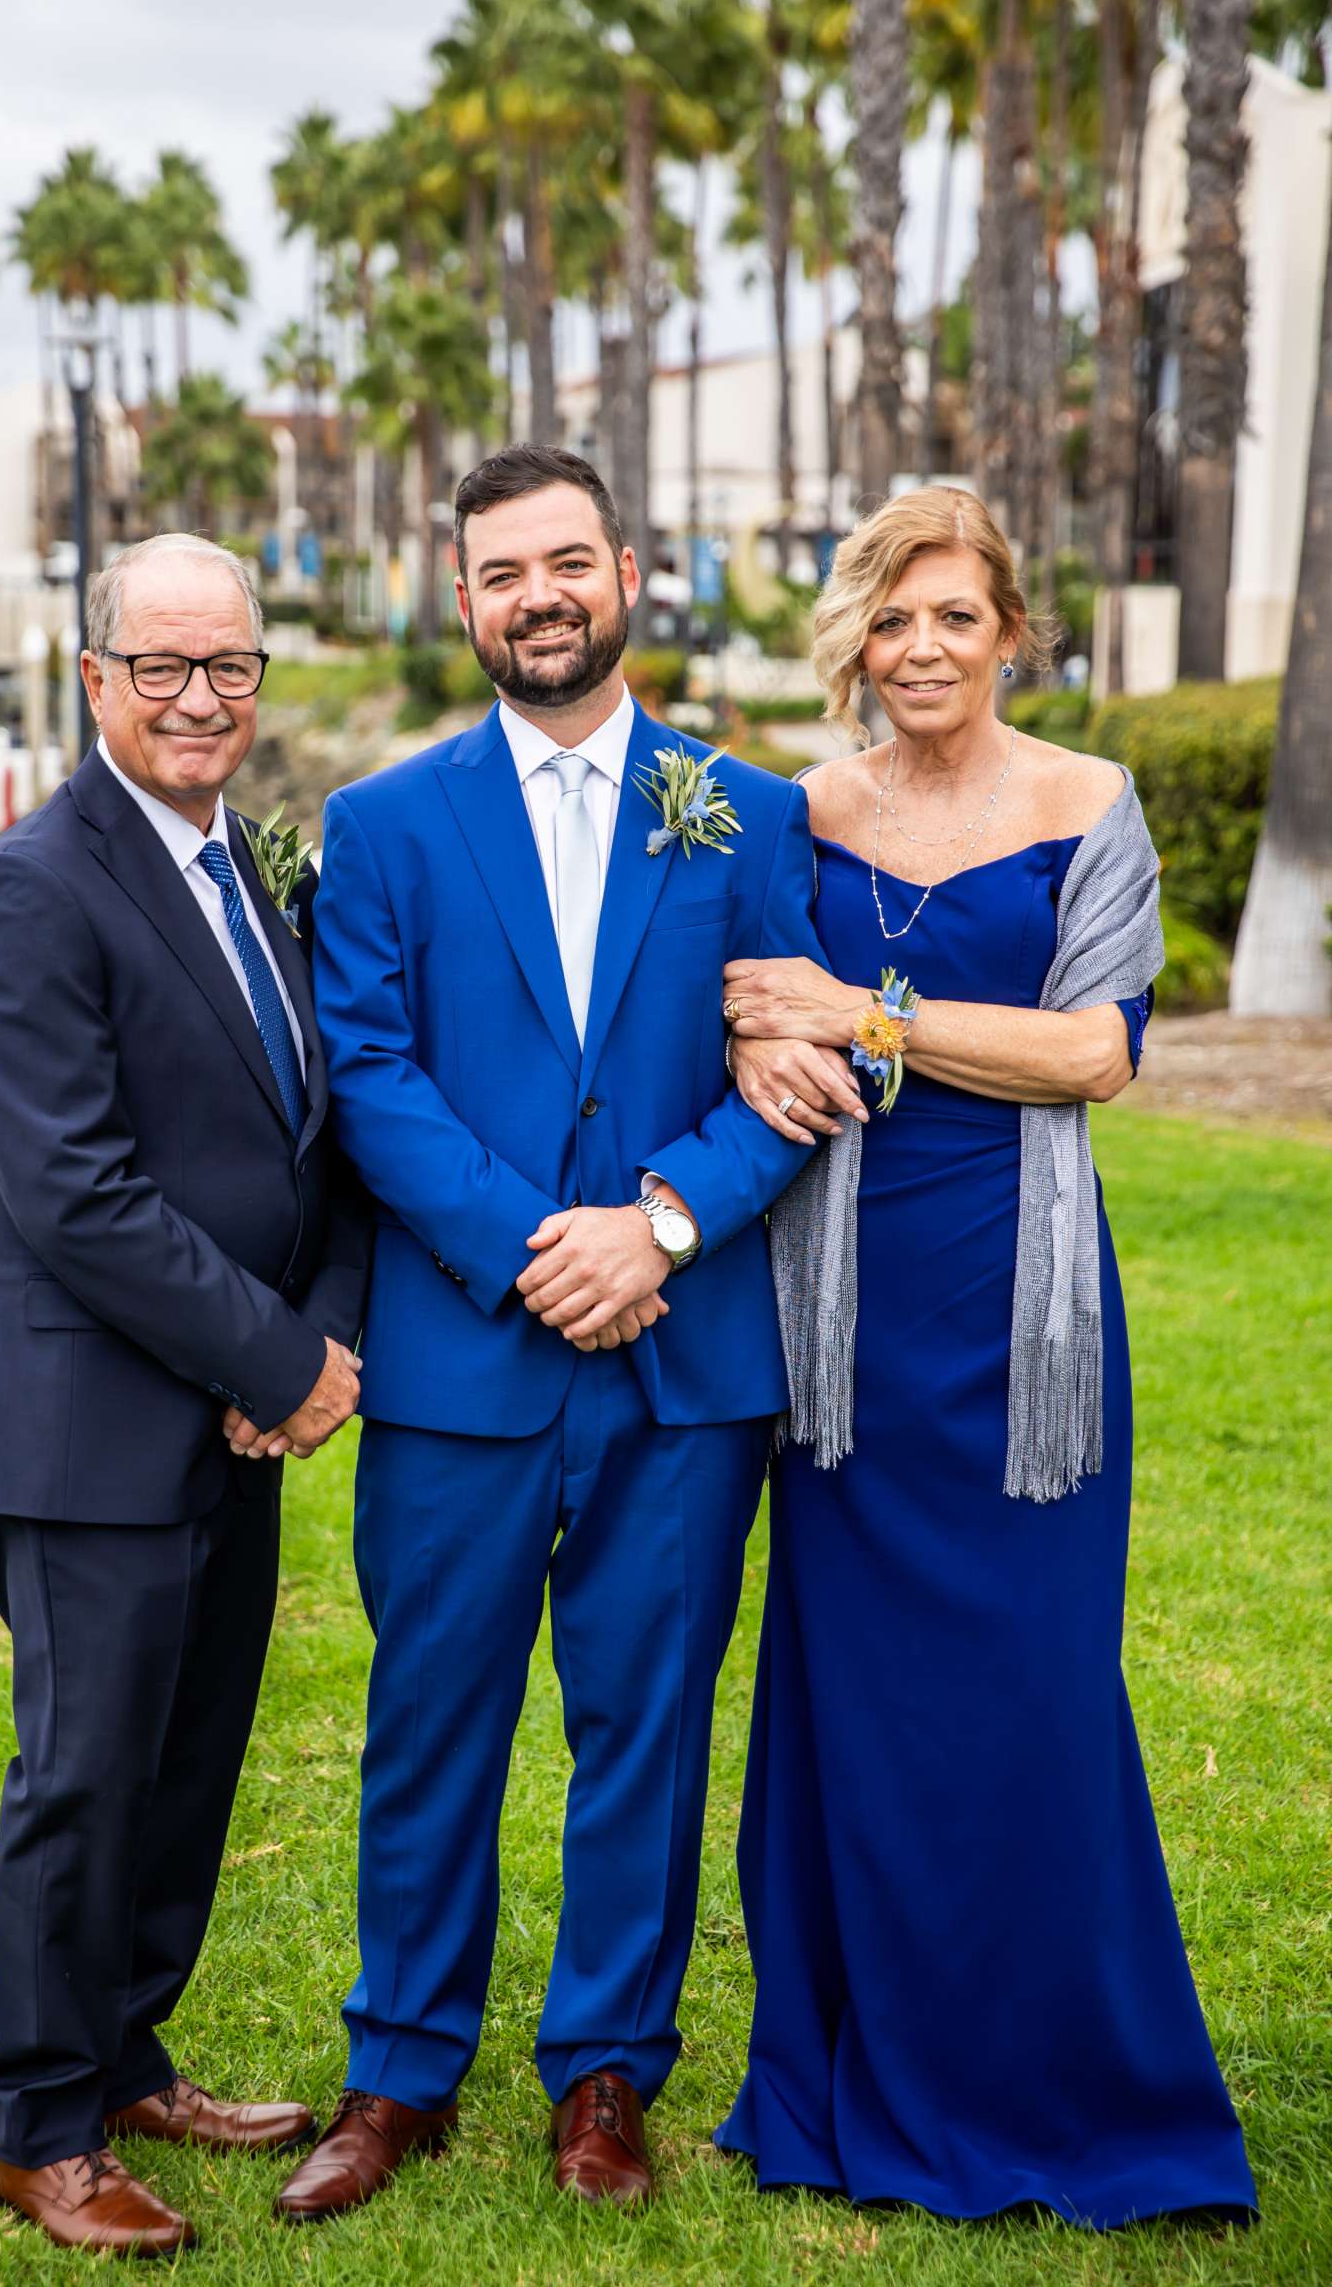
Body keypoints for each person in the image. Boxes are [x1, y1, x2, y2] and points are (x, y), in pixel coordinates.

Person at [276, 444, 839, 2221]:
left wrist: (661, 1221)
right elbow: (366, 1073)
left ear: (626, 572)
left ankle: (606, 2073)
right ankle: (397, 2073)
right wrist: (543, 1250)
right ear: (463, 601)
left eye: (568, 562)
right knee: (429, 1719)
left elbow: (806, 1066)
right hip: (467, 1362)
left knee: (645, 1728)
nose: (540, 596)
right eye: (503, 570)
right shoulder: (379, 828)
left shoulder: (749, 814)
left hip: (684, 1369)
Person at [714, 487, 1257, 2228]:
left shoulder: (1090, 804)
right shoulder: (800, 813)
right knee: (855, 1700)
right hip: (847, 1322)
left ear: (1010, 629)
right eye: (891, 620)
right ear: (854, 644)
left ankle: (1057, 2075)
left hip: (1020, 1323)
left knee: (1031, 1694)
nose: (923, 649)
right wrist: (757, 1037)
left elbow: (1095, 1055)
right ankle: (852, 2066)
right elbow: (741, 998)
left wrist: (868, 1019)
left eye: (954, 616)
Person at [0, 534, 370, 2258]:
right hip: (89, 1428)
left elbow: (305, 1142)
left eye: (230, 667)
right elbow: (78, 1192)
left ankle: (128, 2059)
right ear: (92, 678)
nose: (200, 697)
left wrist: (309, 1346)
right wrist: (276, 1358)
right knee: (86, 1780)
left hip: (231, 1424)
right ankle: (43, 2124)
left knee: (189, 1767)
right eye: (163, 666)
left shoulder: (239, 869)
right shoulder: (32, 888)